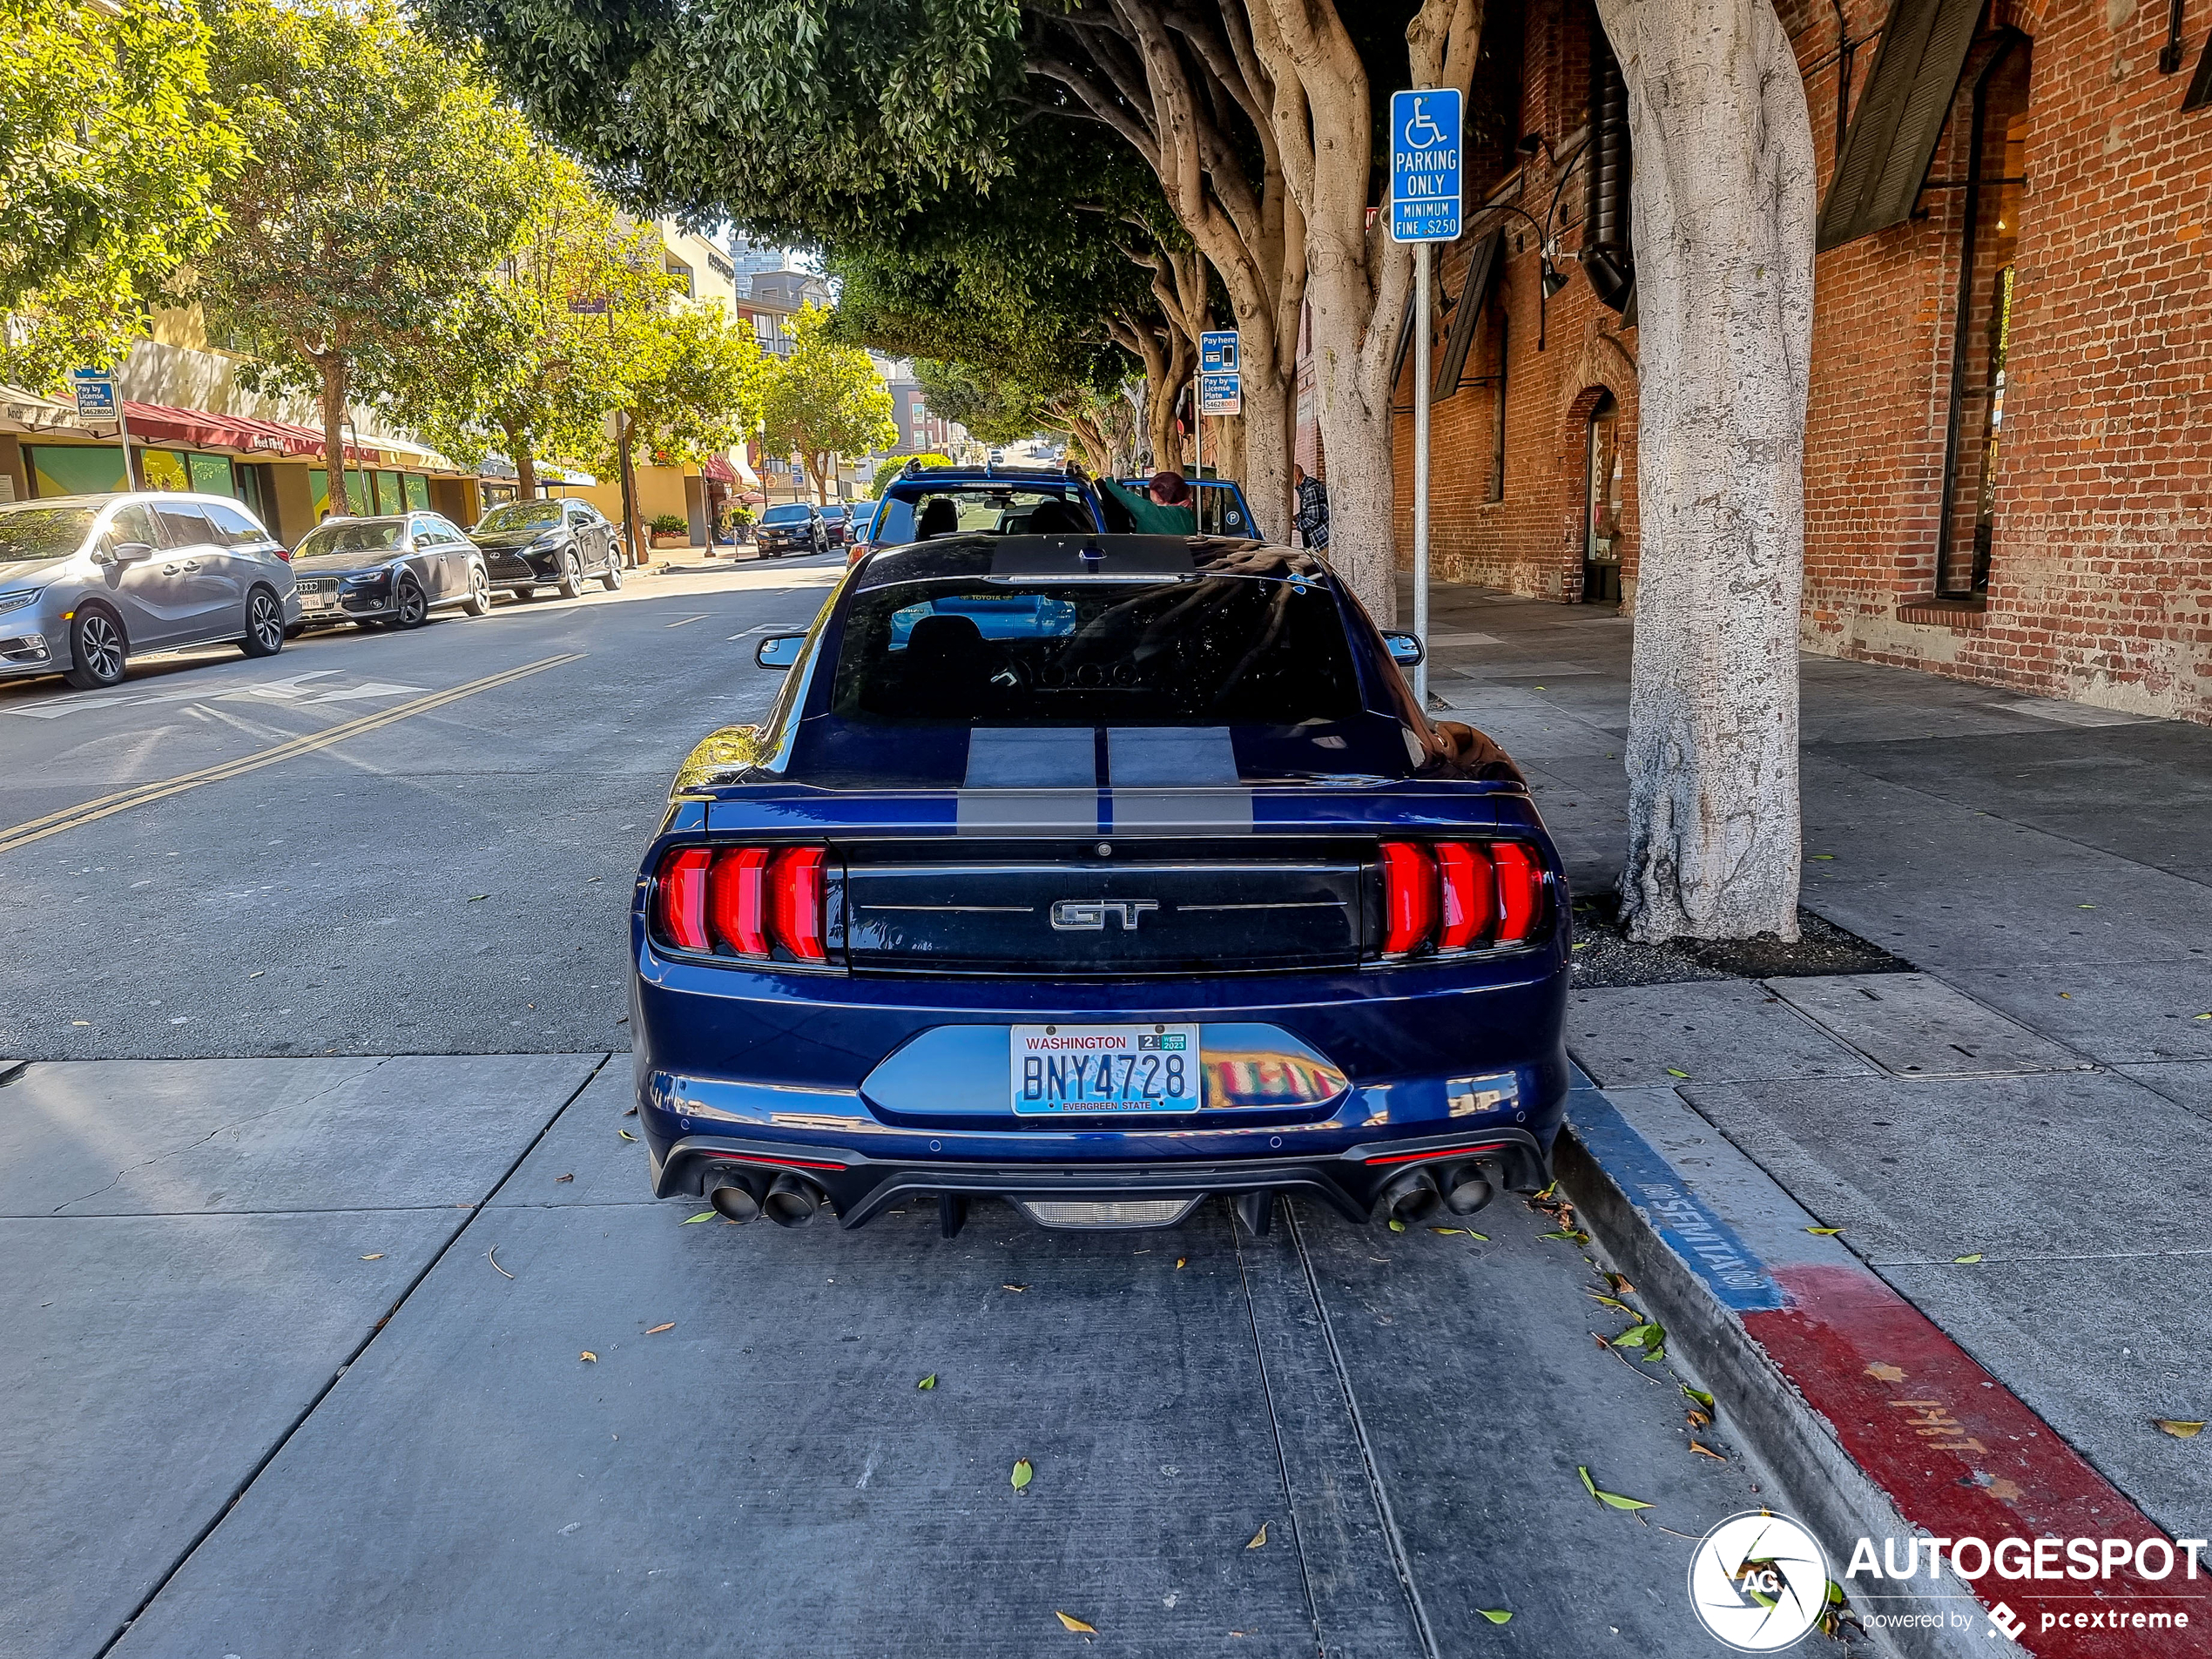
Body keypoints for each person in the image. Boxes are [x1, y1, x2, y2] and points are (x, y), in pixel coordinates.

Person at [1096, 469, 1197, 535]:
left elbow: (1128, 498)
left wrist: (1108, 480)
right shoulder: (1186, 514)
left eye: (1156, 501)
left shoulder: (1156, 514)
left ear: (1165, 497)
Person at [1292, 463, 1329, 550]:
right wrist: (1295, 517)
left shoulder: (1310, 489)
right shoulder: (1304, 488)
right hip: (1319, 541)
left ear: (1297, 476)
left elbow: (1313, 518)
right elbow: (1309, 511)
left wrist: (1296, 526)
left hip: (1324, 540)